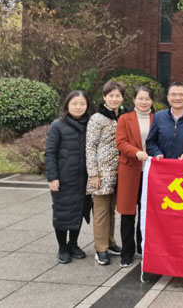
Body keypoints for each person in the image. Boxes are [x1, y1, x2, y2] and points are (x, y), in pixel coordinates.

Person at [45, 90, 92, 264]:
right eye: (74, 103)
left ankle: (73, 244)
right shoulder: (57, 125)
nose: (78, 107)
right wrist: (52, 177)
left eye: (82, 103)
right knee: (62, 213)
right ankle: (62, 247)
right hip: (63, 179)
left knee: (79, 211)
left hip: (83, 179)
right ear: (67, 105)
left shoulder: (90, 124)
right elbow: (50, 153)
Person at [86, 80, 126, 266]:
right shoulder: (97, 118)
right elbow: (90, 147)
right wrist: (93, 174)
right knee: (101, 211)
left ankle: (110, 242)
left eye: (118, 96)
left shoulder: (123, 116)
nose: (114, 99)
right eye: (111, 95)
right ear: (104, 97)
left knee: (111, 209)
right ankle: (100, 248)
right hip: (102, 172)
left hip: (119, 171)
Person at [115, 86, 154, 267]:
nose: (144, 102)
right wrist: (136, 152)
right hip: (130, 170)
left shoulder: (157, 118)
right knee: (128, 213)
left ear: (152, 101)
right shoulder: (125, 119)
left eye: (147, 99)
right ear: (134, 100)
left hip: (151, 172)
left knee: (146, 212)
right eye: (140, 98)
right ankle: (127, 251)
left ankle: (142, 246)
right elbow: (121, 142)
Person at [146, 82, 183, 159]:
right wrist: (157, 153)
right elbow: (150, 142)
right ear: (168, 97)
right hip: (164, 163)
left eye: (181, 95)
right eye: (173, 95)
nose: (177, 98)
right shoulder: (158, 117)